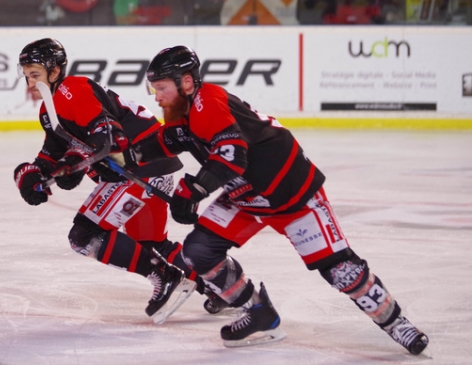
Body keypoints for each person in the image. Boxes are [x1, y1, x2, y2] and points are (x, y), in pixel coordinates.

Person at [124, 45, 429, 353]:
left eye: (161, 88)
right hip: (247, 197)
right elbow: (162, 143)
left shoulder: (208, 100)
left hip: (292, 197)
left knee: (342, 271)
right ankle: (258, 313)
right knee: (199, 250)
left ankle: (396, 323)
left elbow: (232, 156)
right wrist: (120, 156)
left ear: (186, 83)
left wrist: (195, 190)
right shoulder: (183, 118)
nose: (156, 96)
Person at [14, 38, 212, 323]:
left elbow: (108, 136)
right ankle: (220, 289)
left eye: (35, 74)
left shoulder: (72, 90)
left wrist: (76, 164)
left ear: (55, 72)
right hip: (154, 167)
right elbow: (53, 152)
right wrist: (30, 174)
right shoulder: (49, 110)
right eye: (27, 75)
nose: (30, 82)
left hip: (139, 167)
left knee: (84, 235)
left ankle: (166, 276)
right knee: (152, 243)